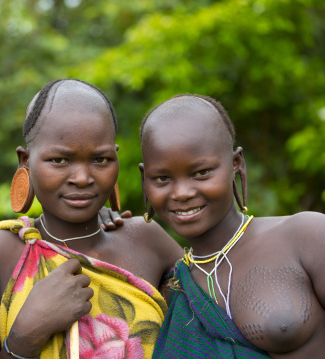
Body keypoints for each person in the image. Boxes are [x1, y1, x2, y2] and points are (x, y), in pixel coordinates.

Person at [0, 79, 183, 359]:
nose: (82, 178)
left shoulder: (147, 241)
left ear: (116, 158)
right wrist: (25, 336)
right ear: (25, 161)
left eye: (100, 160)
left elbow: (207, 336)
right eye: (60, 160)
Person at [139, 94, 325, 358]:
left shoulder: (307, 236)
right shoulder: (172, 288)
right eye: (162, 178)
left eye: (201, 172)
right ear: (144, 178)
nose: (181, 193)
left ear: (235, 164)